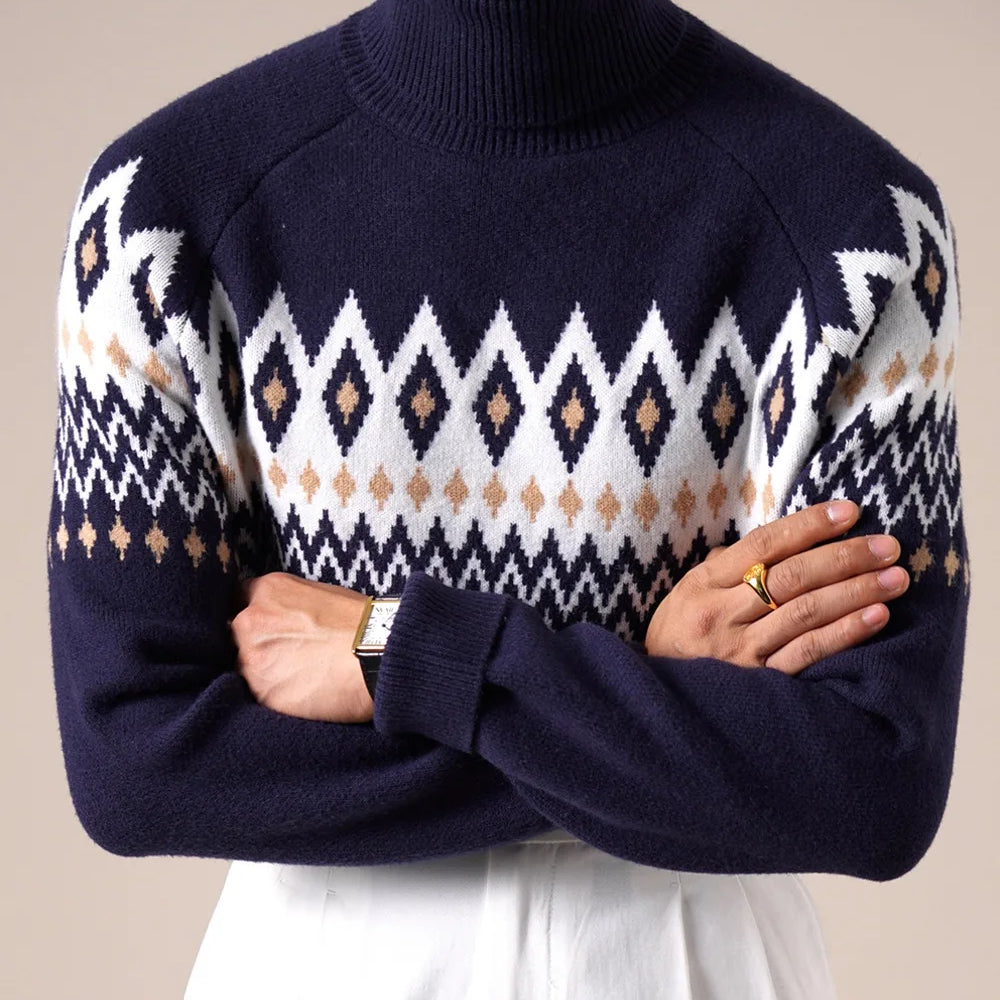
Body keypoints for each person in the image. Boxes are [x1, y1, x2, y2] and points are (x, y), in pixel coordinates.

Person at [45, 1, 968, 997]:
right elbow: (137, 767)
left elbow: (870, 786)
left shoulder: (858, 228)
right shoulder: (159, 215)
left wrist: (400, 653)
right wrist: (636, 697)